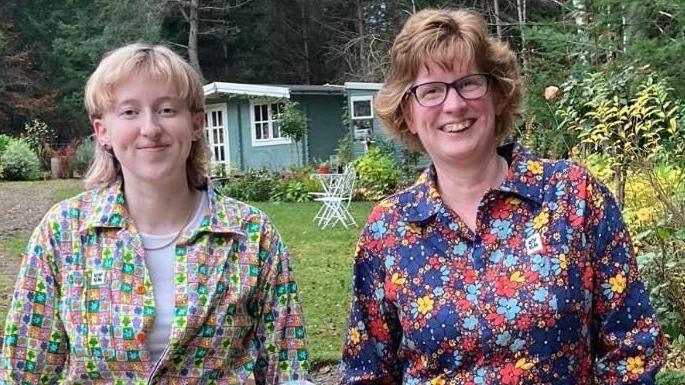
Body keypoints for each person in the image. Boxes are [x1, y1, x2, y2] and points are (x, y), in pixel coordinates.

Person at [341, 8, 664, 385]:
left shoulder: (572, 195)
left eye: (469, 83)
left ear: (496, 93)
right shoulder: (389, 229)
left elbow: (632, 346)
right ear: (408, 114)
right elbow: (367, 371)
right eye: (430, 91)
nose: (454, 104)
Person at [0, 43, 310, 384]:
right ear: (103, 132)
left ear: (195, 124)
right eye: (130, 112)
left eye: (166, 110)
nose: (149, 128)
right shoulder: (63, 233)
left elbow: (287, 371)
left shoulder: (251, 234)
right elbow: (21, 373)